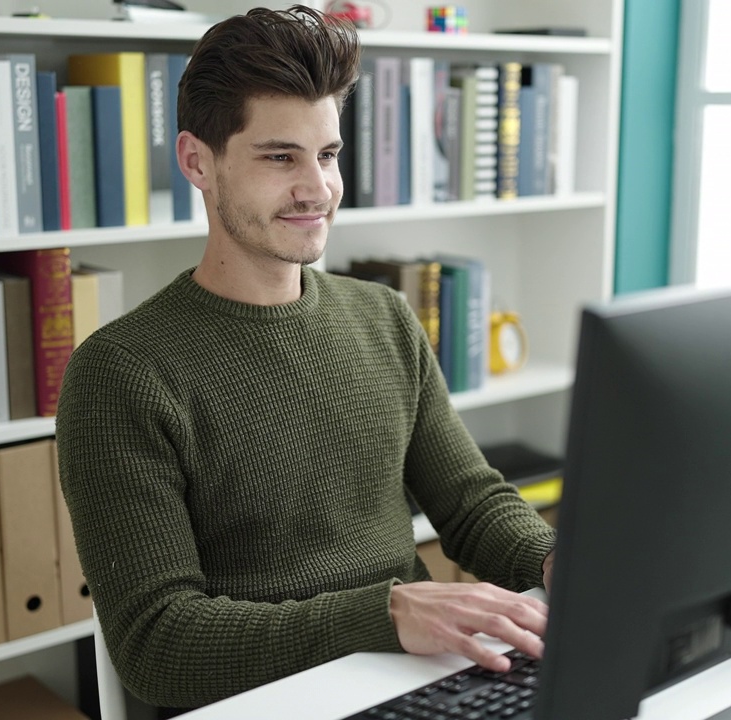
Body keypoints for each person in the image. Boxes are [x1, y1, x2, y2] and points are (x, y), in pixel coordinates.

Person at [55, 5, 556, 712]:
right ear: (198, 160)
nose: (318, 189)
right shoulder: (123, 374)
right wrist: (384, 615)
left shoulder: (381, 316)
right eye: (279, 156)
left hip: (409, 682)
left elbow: (471, 505)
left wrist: (553, 560)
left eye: (327, 155)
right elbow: (157, 646)